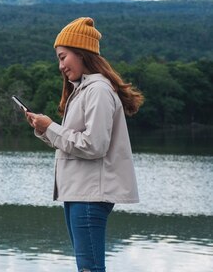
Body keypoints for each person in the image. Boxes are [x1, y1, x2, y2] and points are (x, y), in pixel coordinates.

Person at [25, 17, 144, 272]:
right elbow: (74, 142)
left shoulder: (98, 90)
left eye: (63, 56)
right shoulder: (83, 90)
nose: (60, 66)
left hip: (89, 195)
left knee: (90, 268)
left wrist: (51, 127)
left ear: (81, 53)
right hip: (79, 193)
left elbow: (93, 145)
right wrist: (44, 130)